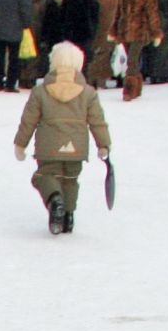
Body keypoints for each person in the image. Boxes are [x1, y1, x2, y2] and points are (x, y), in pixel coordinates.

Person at [13, 41, 112, 237]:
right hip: (76, 148)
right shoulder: (88, 93)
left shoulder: (41, 91)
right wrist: (104, 144)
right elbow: (97, 121)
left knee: (44, 176)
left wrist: (20, 144)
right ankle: (68, 217)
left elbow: (28, 120)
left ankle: (54, 200)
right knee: (70, 180)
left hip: (48, 147)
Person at [113, 0, 163, 101]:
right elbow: (118, 13)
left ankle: (129, 90)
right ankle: (137, 86)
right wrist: (113, 31)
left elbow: (152, 13)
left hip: (140, 31)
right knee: (132, 60)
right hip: (125, 31)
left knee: (132, 60)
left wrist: (156, 33)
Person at [92, 0, 122, 87]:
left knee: (98, 56)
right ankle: (102, 80)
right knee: (109, 55)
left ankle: (95, 80)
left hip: (99, 30)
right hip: (113, 30)